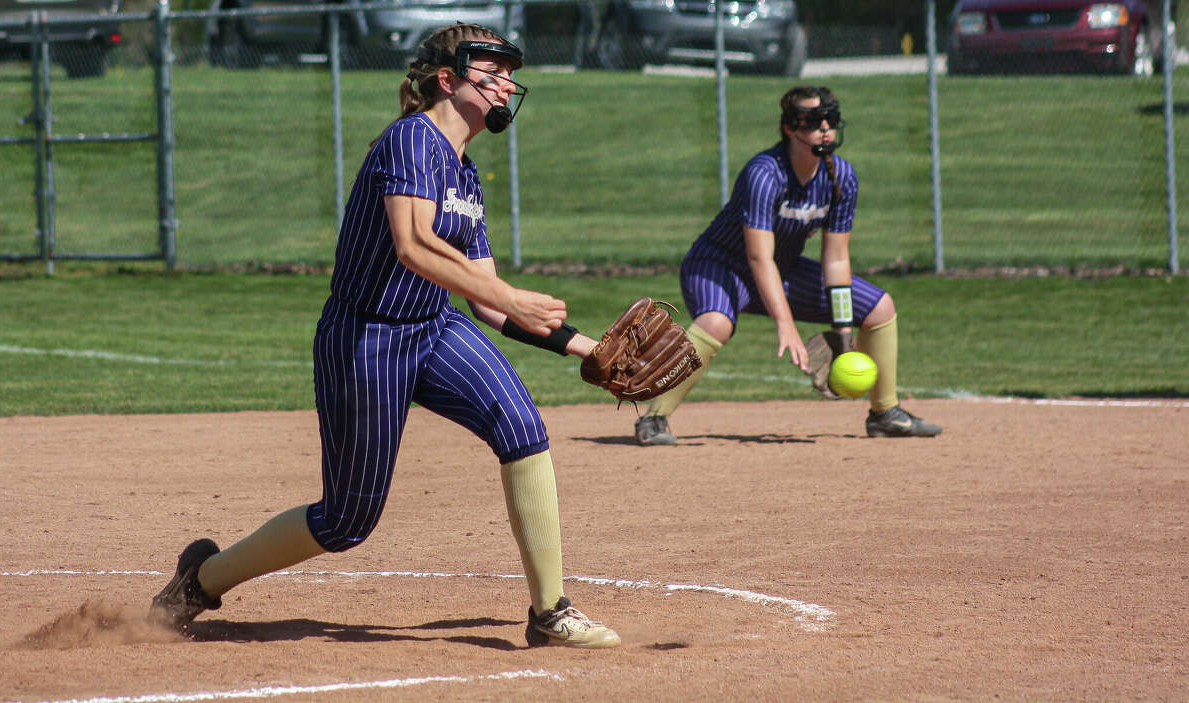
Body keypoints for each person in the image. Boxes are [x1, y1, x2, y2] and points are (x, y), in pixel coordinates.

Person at [150, 23, 620, 649]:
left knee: (523, 428)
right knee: (346, 520)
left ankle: (549, 611)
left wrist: (584, 346)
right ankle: (200, 582)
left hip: (434, 328)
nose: (507, 81)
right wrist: (508, 295)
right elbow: (414, 245)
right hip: (365, 339)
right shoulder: (410, 140)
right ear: (447, 80)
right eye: (492, 68)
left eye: (510, 70)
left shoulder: (466, 175)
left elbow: (486, 300)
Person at [633, 85, 941, 446]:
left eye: (831, 118)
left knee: (880, 308)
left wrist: (843, 334)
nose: (824, 127)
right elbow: (757, 257)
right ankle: (653, 419)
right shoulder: (765, 174)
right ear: (790, 128)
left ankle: (885, 413)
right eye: (813, 120)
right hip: (719, 264)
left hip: (783, 267)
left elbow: (836, 258)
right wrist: (786, 325)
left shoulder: (840, 177)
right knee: (716, 322)